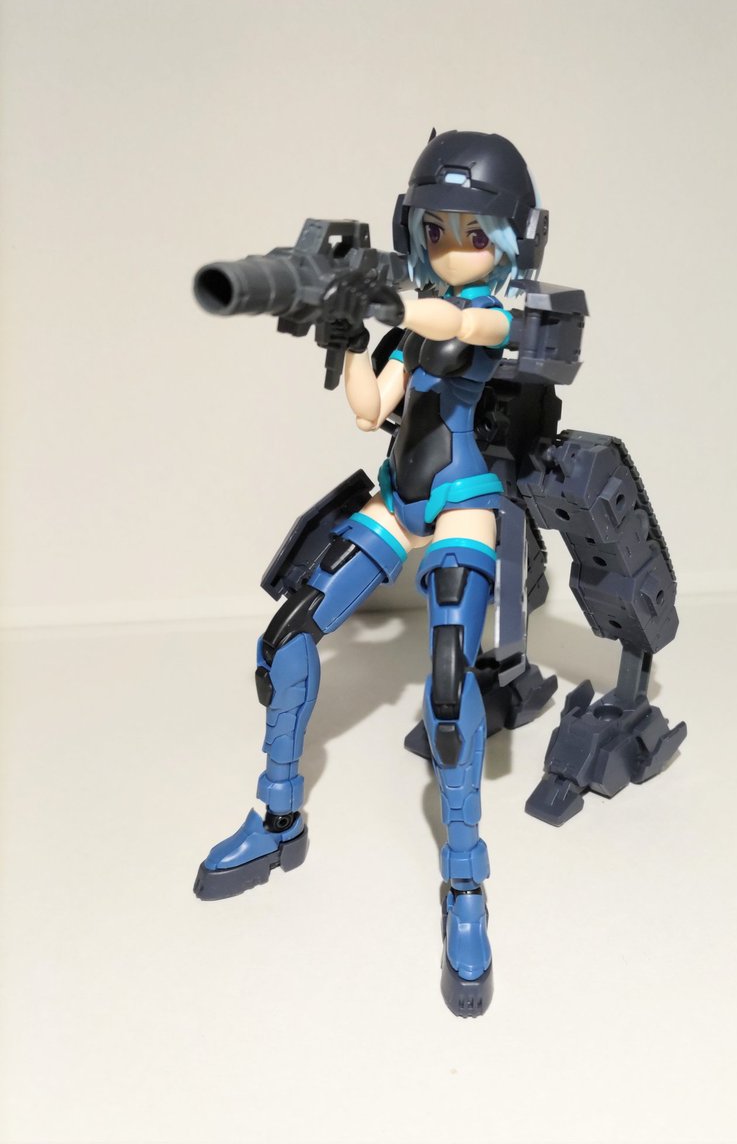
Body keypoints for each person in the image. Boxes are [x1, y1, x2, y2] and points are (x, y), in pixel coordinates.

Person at [194, 131, 547, 1017]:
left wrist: (394, 298)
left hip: (464, 498)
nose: (450, 248)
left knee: (448, 683)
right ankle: (280, 816)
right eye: (435, 230)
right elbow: (369, 411)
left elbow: (463, 326)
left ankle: (465, 884)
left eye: (471, 233)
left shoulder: (493, 316)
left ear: (507, 241)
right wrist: (351, 334)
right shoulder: (408, 331)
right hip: (399, 498)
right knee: (287, 636)